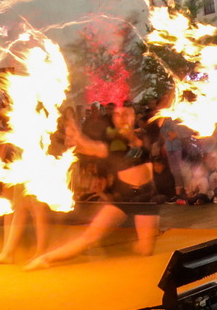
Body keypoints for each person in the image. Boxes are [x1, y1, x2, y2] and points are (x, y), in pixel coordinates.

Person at [26, 103, 162, 269]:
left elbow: (165, 111)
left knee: (145, 250)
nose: (122, 118)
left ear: (134, 116)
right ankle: (46, 259)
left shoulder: (146, 135)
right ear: (113, 118)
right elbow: (91, 146)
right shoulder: (113, 141)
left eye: (126, 113)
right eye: (118, 115)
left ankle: (119, 246)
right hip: (124, 196)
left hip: (146, 198)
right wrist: (74, 131)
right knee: (89, 237)